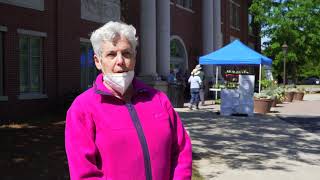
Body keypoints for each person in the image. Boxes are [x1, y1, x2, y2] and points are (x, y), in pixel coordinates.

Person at [65, 21, 192, 180]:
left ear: (134, 58)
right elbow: (84, 173)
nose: (120, 61)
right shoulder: (82, 108)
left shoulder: (158, 99)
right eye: (111, 54)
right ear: (98, 61)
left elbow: (181, 150)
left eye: (126, 53)